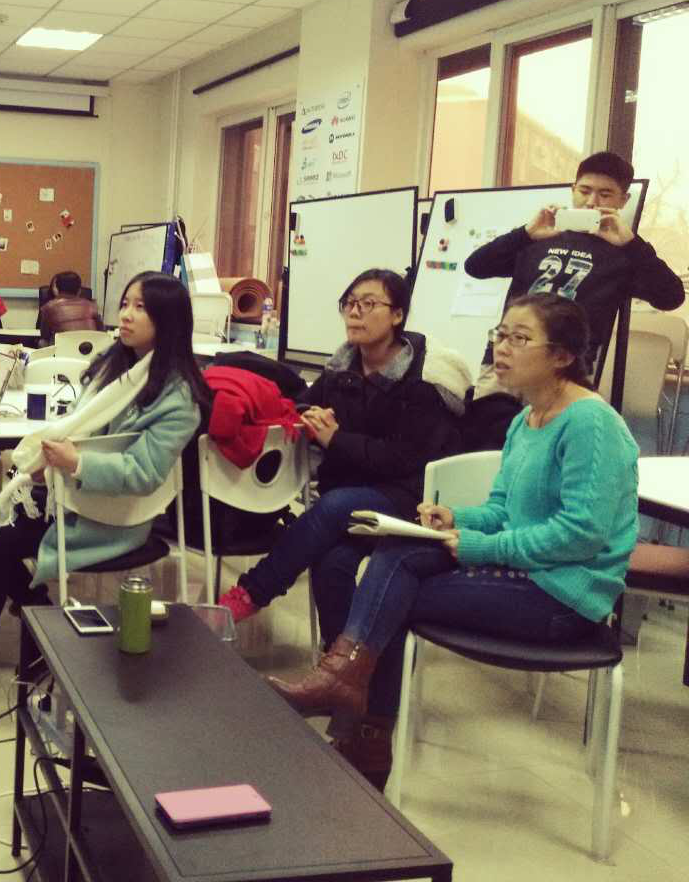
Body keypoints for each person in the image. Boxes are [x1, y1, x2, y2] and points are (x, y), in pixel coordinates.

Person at [269, 294, 637, 790]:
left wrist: (480, 546)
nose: (502, 348)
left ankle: (358, 717)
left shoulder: (591, 423)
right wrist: (454, 517)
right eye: (500, 335)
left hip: (565, 596)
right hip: (530, 574)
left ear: (563, 356)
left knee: (391, 595)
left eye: (520, 338)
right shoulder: (525, 420)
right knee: (396, 554)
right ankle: (355, 710)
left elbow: (581, 536)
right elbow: (503, 510)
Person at [0, 271, 211, 729]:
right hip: (75, 497)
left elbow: (143, 473)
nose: (125, 314)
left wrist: (74, 463)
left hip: (114, 516)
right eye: (125, 303)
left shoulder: (177, 397)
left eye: (140, 307)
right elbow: (83, 427)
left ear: (169, 319)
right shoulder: (118, 367)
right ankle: (43, 628)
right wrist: (57, 460)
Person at [217, 269, 472, 646]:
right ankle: (341, 660)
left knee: (335, 505)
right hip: (352, 497)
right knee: (331, 562)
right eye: (349, 304)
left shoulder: (422, 381)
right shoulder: (343, 367)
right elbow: (304, 402)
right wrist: (311, 416)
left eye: (368, 304)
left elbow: (403, 459)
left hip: (409, 499)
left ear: (397, 315)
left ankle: (251, 593)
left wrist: (336, 439)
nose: (355, 312)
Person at [465, 151, 683, 399]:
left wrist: (632, 245)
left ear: (623, 200)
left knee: (554, 426)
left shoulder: (625, 253)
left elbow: (671, 297)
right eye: (584, 190)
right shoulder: (540, 235)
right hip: (507, 362)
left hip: (566, 373)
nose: (591, 202)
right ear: (573, 190)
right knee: (490, 423)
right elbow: (475, 267)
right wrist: (524, 234)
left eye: (605, 194)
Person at [36, 270, 102, 345]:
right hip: (90, 350)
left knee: (42, 342)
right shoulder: (92, 306)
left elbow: (44, 335)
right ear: (79, 290)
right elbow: (102, 332)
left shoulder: (48, 307)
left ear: (57, 289)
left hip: (63, 350)